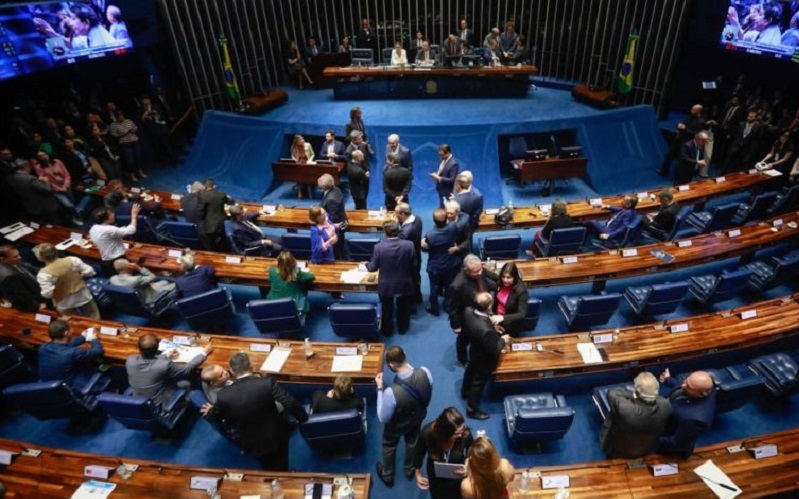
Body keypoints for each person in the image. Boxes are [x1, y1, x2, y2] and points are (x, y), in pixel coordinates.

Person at [205, 352, 308, 470]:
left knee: (266, 464)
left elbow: (216, 415)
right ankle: (284, 473)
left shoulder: (223, 395)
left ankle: (273, 474)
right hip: (276, 435)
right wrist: (303, 418)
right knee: (281, 458)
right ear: (251, 367)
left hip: (251, 441)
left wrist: (210, 411)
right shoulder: (266, 383)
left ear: (232, 371)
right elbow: (289, 402)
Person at [375, 346, 433, 487]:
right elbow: (428, 392)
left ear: (391, 364)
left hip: (397, 425)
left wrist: (380, 388)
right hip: (418, 417)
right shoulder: (425, 372)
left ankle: (388, 474)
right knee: (412, 441)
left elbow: (383, 418)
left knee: (389, 445)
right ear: (405, 355)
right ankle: (410, 469)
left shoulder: (391, 392)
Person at [126, 333, 212, 407]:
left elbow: (149, 362)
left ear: (139, 348)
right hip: (158, 405)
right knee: (188, 381)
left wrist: (167, 356)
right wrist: (203, 353)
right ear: (157, 347)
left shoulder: (130, 360)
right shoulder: (164, 365)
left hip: (138, 402)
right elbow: (186, 369)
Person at [599, 372, 672, 459]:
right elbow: (659, 399)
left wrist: (634, 394)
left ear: (636, 392)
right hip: (648, 448)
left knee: (613, 415)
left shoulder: (624, 408)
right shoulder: (666, 405)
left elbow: (612, 393)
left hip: (620, 451)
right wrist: (647, 393)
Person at [462, 293, 511, 420]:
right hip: (484, 360)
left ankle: (465, 392)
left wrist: (492, 327)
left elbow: (479, 325)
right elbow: (495, 350)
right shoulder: (486, 331)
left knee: (470, 370)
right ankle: (472, 410)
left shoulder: (468, 311)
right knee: (478, 383)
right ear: (489, 306)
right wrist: (503, 339)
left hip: (474, 350)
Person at [366, 221, 416, 336]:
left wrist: (366, 264)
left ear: (385, 232)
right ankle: (402, 328)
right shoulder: (409, 245)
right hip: (405, 283)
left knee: (387, 309)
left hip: (386, 285)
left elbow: (372, 268)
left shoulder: (379, 247)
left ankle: (388, 331)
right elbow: (414, 265)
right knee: (403, 308)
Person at [448, 255, 498, 367]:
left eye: (480, 269)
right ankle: (462, 359)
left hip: (483, 311)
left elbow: (491, 281)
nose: (480, 273)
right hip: (467, 317)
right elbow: (452, 307)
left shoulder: (479, 270)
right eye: (476, 272)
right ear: (466, 270)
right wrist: (455, 325)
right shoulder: (457, 285)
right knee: (463, 339)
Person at [413, 407, 473, 498]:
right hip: (436, 477)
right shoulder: (427, 434)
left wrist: (467, 465)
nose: (460, 435)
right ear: (445, 433)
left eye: (462, 428)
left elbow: (471, 451)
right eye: (456, 434)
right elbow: (419, 452)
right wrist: (417, 473)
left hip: (458, 476)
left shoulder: (464, 434)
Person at [657, 369, 716, 457]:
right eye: (686, 381)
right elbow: (684, 385)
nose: (683, 385)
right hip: (668, 413)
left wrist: (648, 441)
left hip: (666, 439)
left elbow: (676, 444)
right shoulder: (704, 385)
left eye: (689, 387)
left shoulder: (695, 419)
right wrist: (668, 380)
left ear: (702, 394)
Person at [33, 243, 99, 318]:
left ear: (40, 258)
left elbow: (47, 294)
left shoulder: (43, 274)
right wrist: (81, 275)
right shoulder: (73, 260)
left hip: (64, 303)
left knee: (72, 322)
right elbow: (90, 271)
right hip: (83, 296)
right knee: (94, 318)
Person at [38, 320, 104, 390]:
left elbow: (63, 346)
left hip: (46, 386)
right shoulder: (74, 352)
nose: (72, 330)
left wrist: (83, 337)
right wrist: (94, 339)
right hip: (67, 389)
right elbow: (98, 351)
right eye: (70, 329)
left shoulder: (43, 347)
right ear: (66, 333)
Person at [422, 208, 461, 316]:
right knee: (448, 286)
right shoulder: (453, 227)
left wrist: (422, 243)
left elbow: (425, 249)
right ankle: (447, 306)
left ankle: (434, 308)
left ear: (434, 221)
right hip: (449, 264)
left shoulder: (430, 235)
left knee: (434, 288)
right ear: (446, 218)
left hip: (435, 266)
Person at [88, 204, 140, 275]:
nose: (113, 214)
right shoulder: (109, 229)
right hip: (118, 261)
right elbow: (131, 230)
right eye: (110, 214)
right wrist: (134, 216)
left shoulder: (93, 228)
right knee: (127, 277)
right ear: (106, 219)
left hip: (106, 261)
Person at [657, 104, 707, 177]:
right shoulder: (690, 117)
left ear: (698, 111)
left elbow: (695, 134)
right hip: (679, 140)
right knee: (668, 156)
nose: (691, 111)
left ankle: (679, 176)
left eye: (693, 110)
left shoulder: (701, 122)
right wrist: (679, 125)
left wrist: (685, 129)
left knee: (682, 160)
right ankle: (663, 171)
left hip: (687, 144)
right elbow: (683, 123)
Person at [4, 159, 60, 224]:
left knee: (39, 225)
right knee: (54, 224)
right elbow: (47, 189)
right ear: (25, 166)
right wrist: (46, 181)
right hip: (45, 206)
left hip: (30, 207)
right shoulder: (30, 179)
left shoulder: (10, 178)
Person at [32, 152, 81, 225]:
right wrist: (59, 189)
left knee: (72, 204)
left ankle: (74, 217)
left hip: (66, 186)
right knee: (67, 204)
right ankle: (77, 216)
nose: (44, 157)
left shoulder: (57, 161)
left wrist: (66, 185)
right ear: (38, 158)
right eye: (41, 156)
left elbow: (66, 174)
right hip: (55, 190)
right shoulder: (38, 167)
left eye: (44, 154)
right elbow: (46, 181)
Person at [267, 250, 315, 314]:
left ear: (278, 261)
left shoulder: (272, 271)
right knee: (303, 285)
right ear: (293, 262)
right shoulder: (296, 272)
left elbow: (270, 280)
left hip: (274, 303)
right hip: (293, 304)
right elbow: (311, 276)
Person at [0, 245, 45, 313]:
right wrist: (37, 306)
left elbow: (32, 268)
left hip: (38, 288)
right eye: (15, 256)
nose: (20, 257)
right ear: (2, 258)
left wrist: (48, 271)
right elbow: (22, 297)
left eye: (18, 255)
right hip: (37, 301)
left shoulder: (14, 261)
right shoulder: (9, 277)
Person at [110, 258, 176, 303]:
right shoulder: (136, 279)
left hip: (140, 294)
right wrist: (139, 268)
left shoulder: (112, 279)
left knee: (165, 282)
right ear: (128, 267)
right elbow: (153, 277)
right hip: (150, 297)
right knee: (175, 284)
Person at [396, 202, 424, 306]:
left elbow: (396, 244)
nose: (395, 215)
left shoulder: (405, 233)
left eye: (396, 213)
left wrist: (395, 226)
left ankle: (411, 306)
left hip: (407, 260)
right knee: (416, 278)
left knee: (409, 282)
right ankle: (418, 297)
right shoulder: (417, 219)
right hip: (416, 255)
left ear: (403, 214)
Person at [491, 263, 529, 338]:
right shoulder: (500, 283)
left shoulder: (521, 291)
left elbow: (522, 314)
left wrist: (502, 318)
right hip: (497, 318)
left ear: (514, 277)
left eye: (509, 277)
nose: (505, 280)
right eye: (503, 277)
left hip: (510, 323)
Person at [108, 111, 145, 182]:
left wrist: (132, 130)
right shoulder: (113, 125)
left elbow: (135, 128)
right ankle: (132, 175)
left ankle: (140, 172)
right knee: (130, 161)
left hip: (135, 142)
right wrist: (125, 132)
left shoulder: (128, 121)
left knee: (138, 157)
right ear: (116, 117)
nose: (121, 117)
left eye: (122, 116)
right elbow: (114, 135)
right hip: (125, 144)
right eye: (119, 117)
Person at [198, 178, 234, 251]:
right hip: (221, 223)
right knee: (223, 243)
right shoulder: (221, 194)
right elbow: (231, 202)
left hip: (209, 225)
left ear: (205, 187)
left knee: (211, 245)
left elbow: (200, 211)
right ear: (214, 186)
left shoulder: (202, 196)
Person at [318, 173, 348, 260]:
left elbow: (333, 218)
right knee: (341, 244)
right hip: (341, 220)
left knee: (337, 248)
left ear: (323, 186)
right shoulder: (335, 189)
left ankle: (339, 259)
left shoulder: (331, 200)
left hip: (337, 226)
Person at [724, 109, 763, 173]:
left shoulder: (758, 127)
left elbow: (756, 141)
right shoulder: (741, 124)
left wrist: (750, 153)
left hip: (745, 150)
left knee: (737, 167)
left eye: (751, 117)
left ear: (755, 118)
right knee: (727, 164)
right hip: (735, 147)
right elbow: (734, 135)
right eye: (748, 116)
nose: (749, 118)